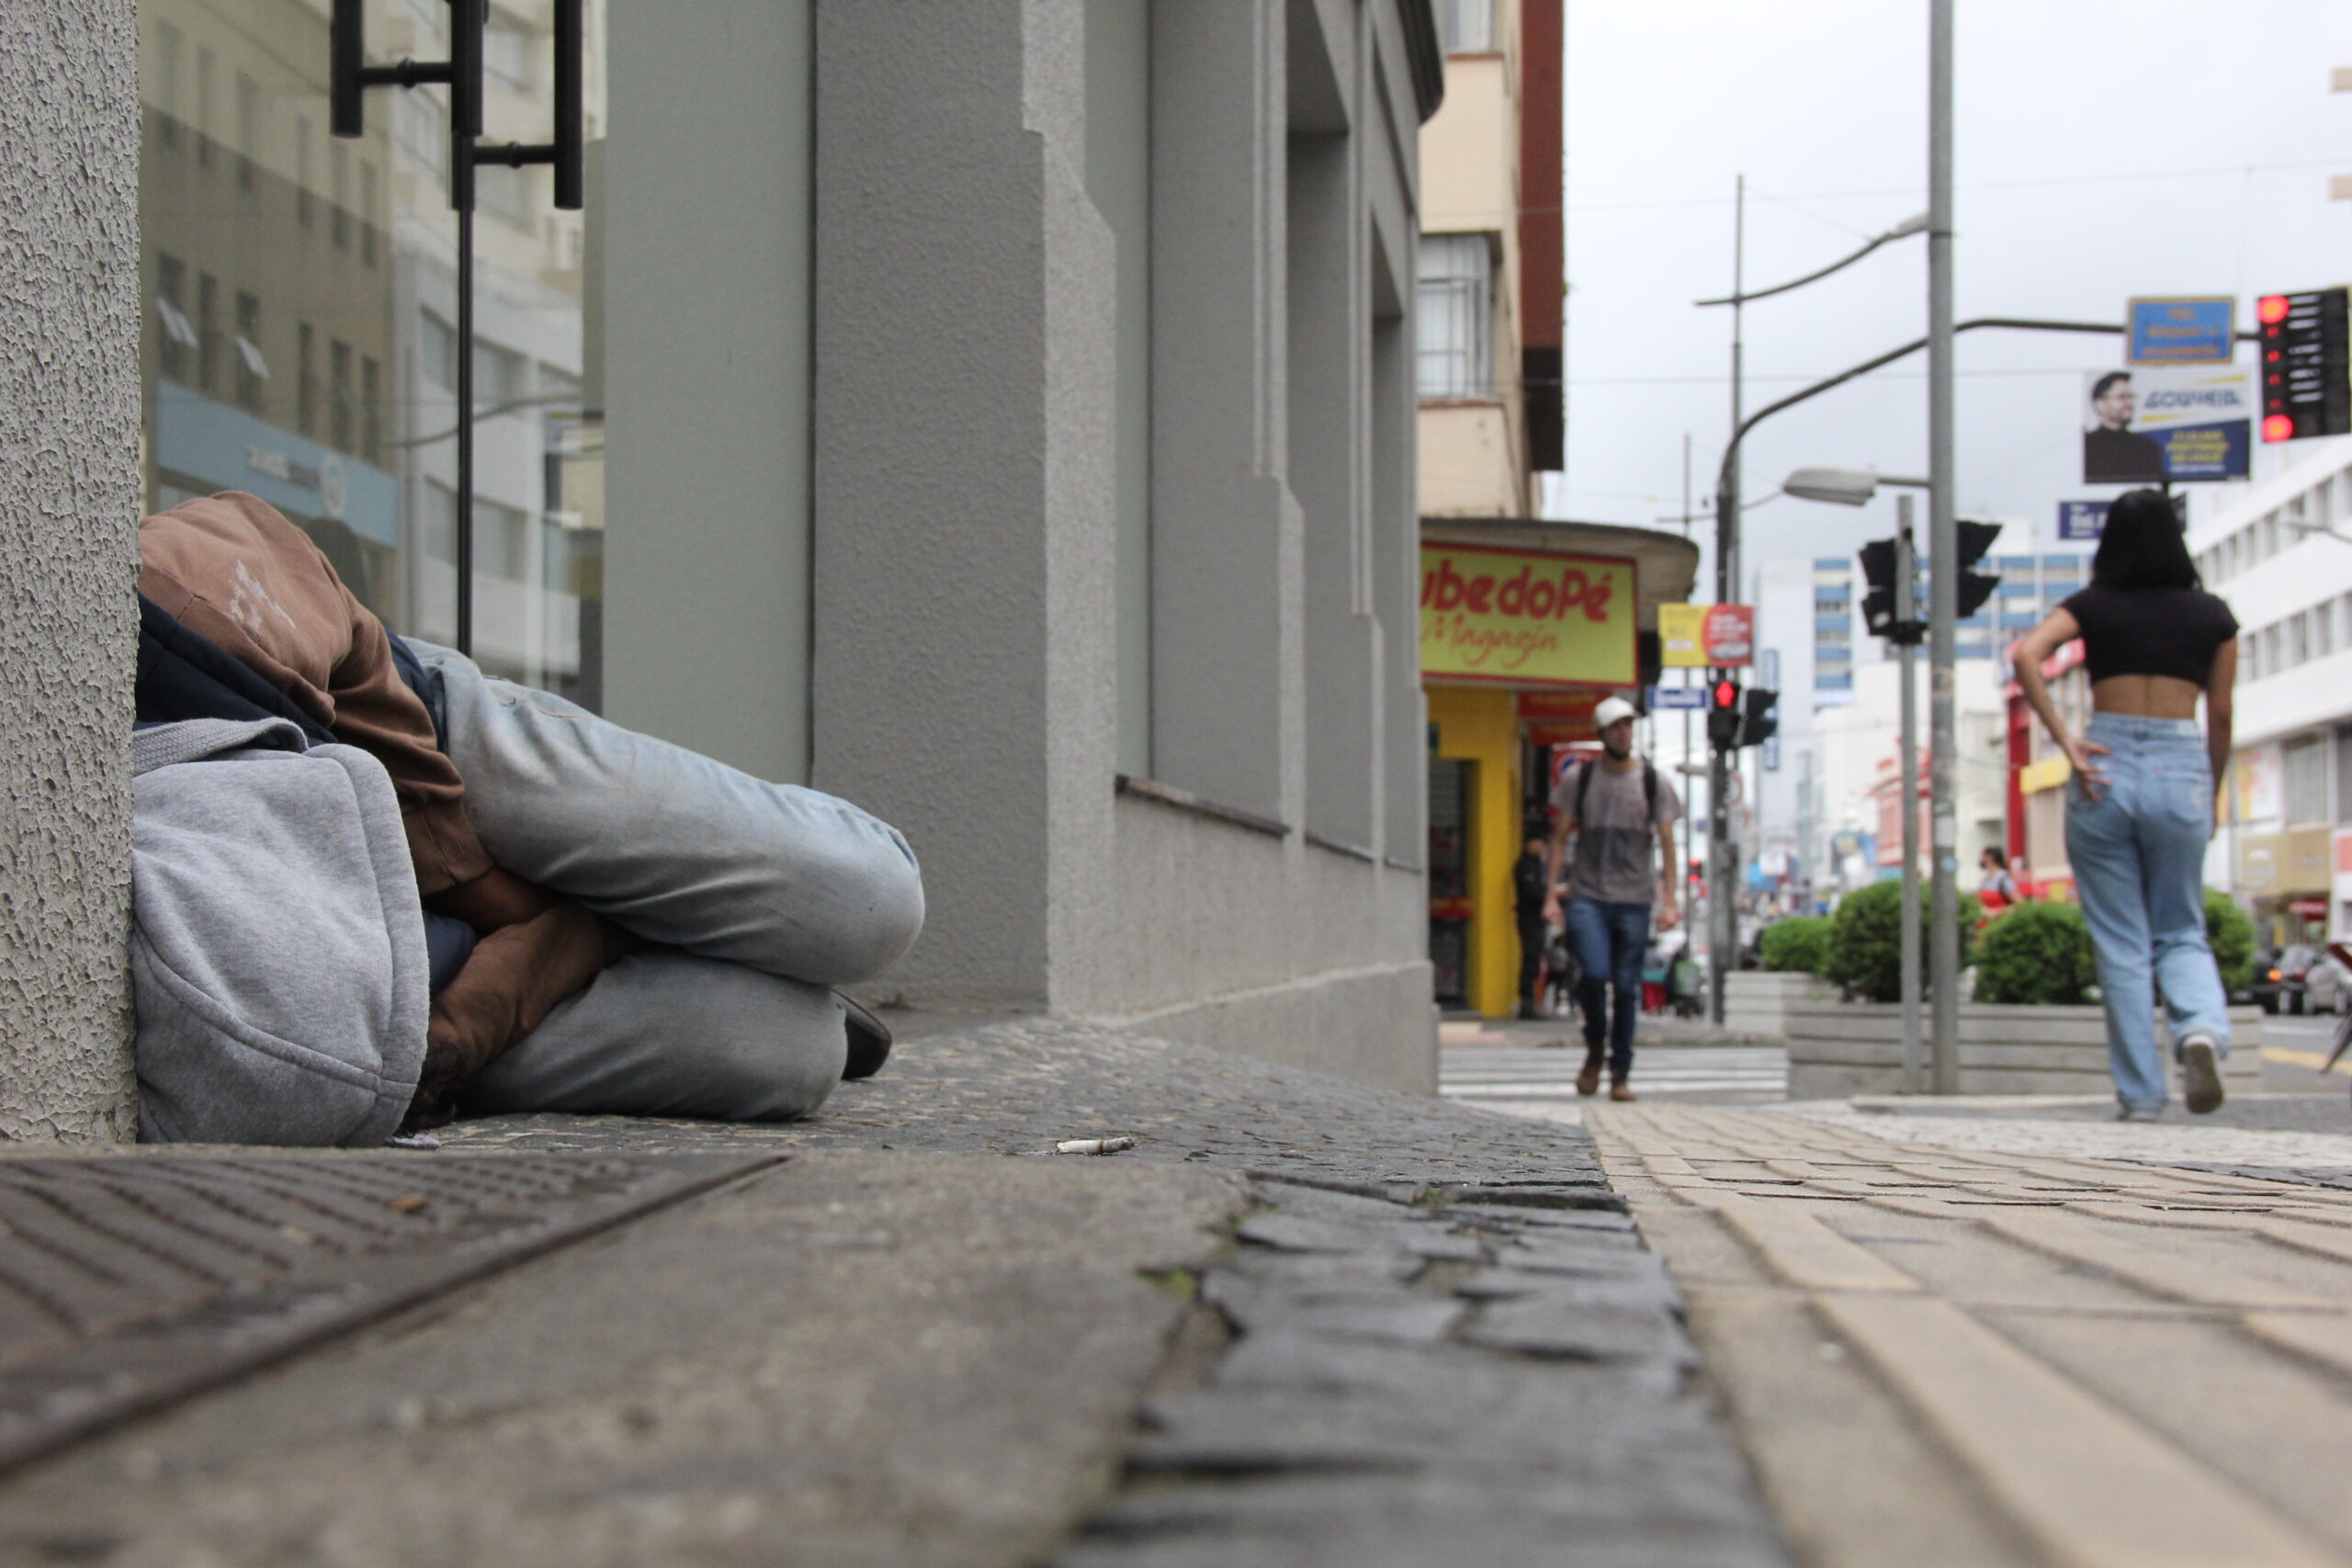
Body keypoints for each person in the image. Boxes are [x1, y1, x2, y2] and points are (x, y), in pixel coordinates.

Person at [137, 491, 923, 1134]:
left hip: (433, 747)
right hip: (417, 981)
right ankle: (616, 928)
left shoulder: (161, 611)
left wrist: (472, 882)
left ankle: (617, 919)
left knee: (869, 896)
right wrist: (473, 1017)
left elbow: (286, 567)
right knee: (792, 1050)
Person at [2012, 487, 2236, 1121]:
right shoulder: (2214, 616)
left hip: (2103, 764)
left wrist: (2064, 739)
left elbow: (2027, 653)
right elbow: (2219, 712)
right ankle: (2199, 1030)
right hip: (2180, 761)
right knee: (2182, 927)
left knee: (2121, 941)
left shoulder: (2091, 605)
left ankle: (2141, 1094)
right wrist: (2210, 788)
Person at [1541, 696, 1683, 1101]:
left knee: (1625, 988)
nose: (1623, 732)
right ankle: (1594, 1048)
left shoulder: (1653, 782)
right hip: (1589, 895)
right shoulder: (1580, 780)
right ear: (1602, 734)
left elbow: (1668, 843)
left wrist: (1669, 899)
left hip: (1635, 898)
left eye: (1628, 725)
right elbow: (1559, 838)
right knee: (1595, 974)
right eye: (1615, 726)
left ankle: (1620, 1072)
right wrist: (1552, 894)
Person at [2083, 371, 2165, 484]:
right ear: (2100, 404)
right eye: (2121, 398)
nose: (2129, 403)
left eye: (2131, 397)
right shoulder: (2085, 447)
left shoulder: (2147, 448)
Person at [1513, 830, 1554, 1020]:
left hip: (1538, 918)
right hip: (1529, 917)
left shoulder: (1539, 865)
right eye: (1539, 843)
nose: (1542, 847)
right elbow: (1532, 892)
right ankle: (1527, 1003)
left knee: (1536, 960)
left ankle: (1534, 1003)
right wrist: (1552, 895)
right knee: (1530, 959)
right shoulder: (1525, 865)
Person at [1977, 846, 2020, 910]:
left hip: (1999, 919)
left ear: (1990, 858)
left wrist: (1998, 912)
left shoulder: (2003, 878)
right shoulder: (1986, 879)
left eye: (1983, 856)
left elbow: (2020, 902)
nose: (1981, 859)